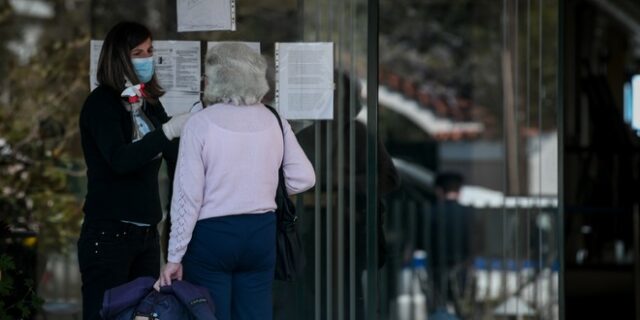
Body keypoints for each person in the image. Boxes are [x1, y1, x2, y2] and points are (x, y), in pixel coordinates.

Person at [156, 42, 316, 320]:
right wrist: (262, 188)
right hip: (261, 231)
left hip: (212, 236)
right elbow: (304, 178)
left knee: (209, 313)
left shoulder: (200, 123)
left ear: (214, 79)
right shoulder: (275, 119)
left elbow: (187, 196)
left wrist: (174, 258)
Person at [77, 21, 190, 320]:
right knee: (105, 315)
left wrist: (196, 130)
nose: (146, 59)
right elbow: (120, 159)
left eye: (150, 51)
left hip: (146, 236)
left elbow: (173, 154)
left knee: (144, 315)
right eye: (138, 52)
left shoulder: (150, 103)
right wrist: (166, 132)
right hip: (109, 234)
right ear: (119, 58)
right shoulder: (101, 103)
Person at [293, 71, 400, 319]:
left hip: (349, 231)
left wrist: (345, 183)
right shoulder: (304, 138)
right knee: (320, 296)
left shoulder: (360, 135)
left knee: (345, 297)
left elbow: (390, 179)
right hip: (313, 233)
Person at [429, 171, 472, 317]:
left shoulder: (430, 212)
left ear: (439, 190)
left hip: (437, 269)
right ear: (459, 191)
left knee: (439, 310)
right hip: (462, 268)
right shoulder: (470, 214)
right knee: (463, 309)